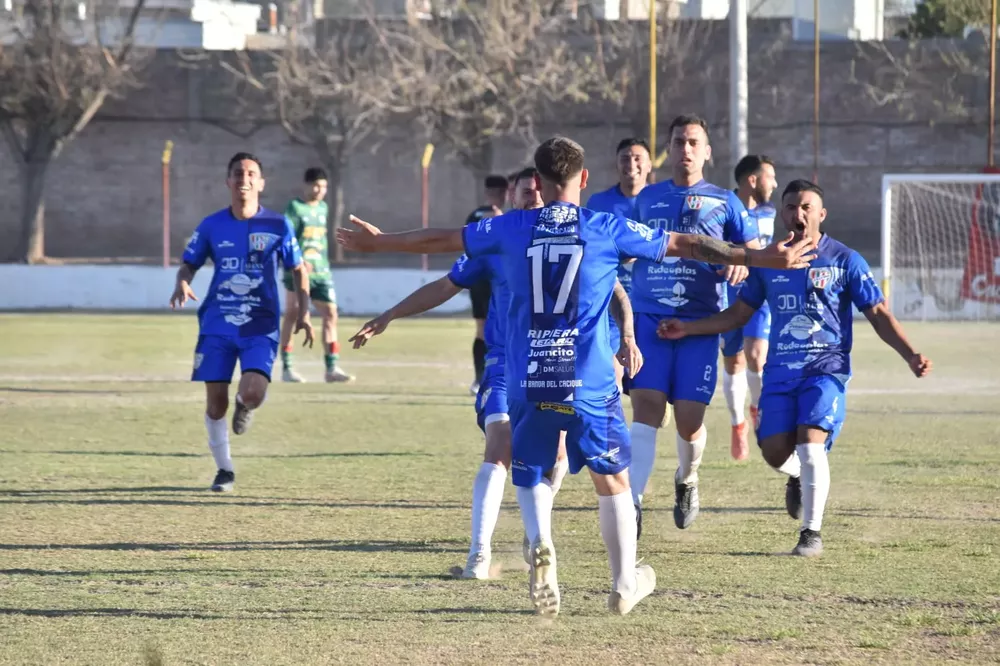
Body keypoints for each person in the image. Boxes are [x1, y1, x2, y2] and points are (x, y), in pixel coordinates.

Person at [336, 136, 817, 616]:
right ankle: (624, 581)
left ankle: (541, 544)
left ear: (538, 183)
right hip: (588, 379)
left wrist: (378, 243)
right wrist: (759, 257)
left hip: (529, 377)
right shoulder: (606, 227)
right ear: (584, 179)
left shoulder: (507, 228)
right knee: (614, 482)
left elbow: (439, 238)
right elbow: (686, 244)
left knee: (530, 471)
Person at [658, 179, 932, 556]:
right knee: (773, 451)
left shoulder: (845, 260)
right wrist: (688, 327)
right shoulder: (770, 262)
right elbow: (739, 313)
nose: (798, 213)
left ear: (822, 214)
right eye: (791, 207)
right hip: (780, 373)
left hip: (826, 368)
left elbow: (879, 314)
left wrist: (911, 354)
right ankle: (800, 477)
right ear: (783, 213)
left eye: (806, 207)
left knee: (810, 442)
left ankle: (811, 533)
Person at [347, 167, 580, 580]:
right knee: (500, 445)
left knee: (555, 455)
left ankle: (535, 533)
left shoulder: (568, 239)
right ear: (511, 196)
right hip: (504, 362)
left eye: (538, 194)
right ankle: (479, 556)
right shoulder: (496, 241)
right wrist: (390, 314)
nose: (532, 199)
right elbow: (444, 285)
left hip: (551, 361)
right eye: (525, 193)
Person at [627, 114, 762, 534]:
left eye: (693, 142)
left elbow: (754, 254)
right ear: (669, 149)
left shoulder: (726, 201)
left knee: (689, 421)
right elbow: (627, 247)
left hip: (699, 324)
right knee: (646, 409)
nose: (685, 149)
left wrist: (742, 268)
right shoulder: (647, 199)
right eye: (678, 141)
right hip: (649, 316)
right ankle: (631, 504)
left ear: (706, 152)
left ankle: (687, 479)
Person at [170, 152, 315, 492]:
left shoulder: (278, 225)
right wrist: (182, 280)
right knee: (215, 404)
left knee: (252, 393)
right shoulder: (211, 225)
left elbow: (298, 270)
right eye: (237, 173)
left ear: (261, 183)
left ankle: (243, 405)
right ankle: (225, 471)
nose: (244, 179)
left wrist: (304, 311)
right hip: (217, 324)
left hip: (260, 325)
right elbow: (189, 262)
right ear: (228, 181)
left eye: (251, 173)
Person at [719, 155, 778, 457]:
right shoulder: (724, 207)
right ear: (752, 180)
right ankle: (737, 423)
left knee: (756, 356)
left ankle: (756, 408)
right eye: (770, 176)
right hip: (728, 295)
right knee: (735, 362)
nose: (775, 183)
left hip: (760, 294)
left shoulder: (770, 211)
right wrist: (729, 261)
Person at [585, 138, 651, 396]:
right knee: (613, 378)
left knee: (646, 390)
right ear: (616, 164)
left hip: (651, 306)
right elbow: (589, 249)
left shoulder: (658, 202)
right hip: (611, 304)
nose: (631, 164)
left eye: (637, 158)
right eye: (625, 158)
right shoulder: (598, 204)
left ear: (648, 165)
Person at [278, 167, 353, 384]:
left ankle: (331, 368)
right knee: (292, 314)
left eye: (324, 186)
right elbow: (286, 237)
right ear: (306, 185)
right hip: (298, 271)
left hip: (321, 271)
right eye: (316, 185)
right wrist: (297, 262)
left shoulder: (323, 208)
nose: (320, 190)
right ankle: (287, 368)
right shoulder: (294, 208)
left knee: (330, 313)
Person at [467, 174, 509, 395]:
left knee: (505, 328)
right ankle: (479, 378)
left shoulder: (507, 217)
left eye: (501, 192)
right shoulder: (476, 216)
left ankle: (499, 377)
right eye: (494, 192)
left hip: (502, 282)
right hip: (482, 282)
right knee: (483, 329)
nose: (498, 196)